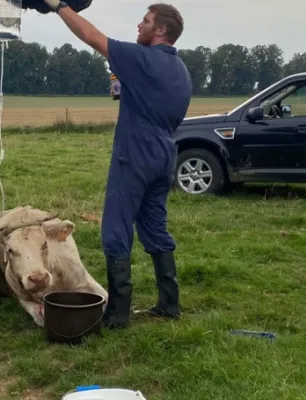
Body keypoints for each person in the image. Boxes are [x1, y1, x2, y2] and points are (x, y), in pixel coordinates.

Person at [42, 0, 193, 329]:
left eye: (146, 20)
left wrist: (58, 6)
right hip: (165, 155)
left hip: (135, 155)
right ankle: (169, 304)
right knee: (155, 228)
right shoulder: (181, 70)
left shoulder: (142, 57)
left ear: (161, 30)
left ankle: (117, 315)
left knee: (116, 229)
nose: (140, 25)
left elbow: (92, 36)